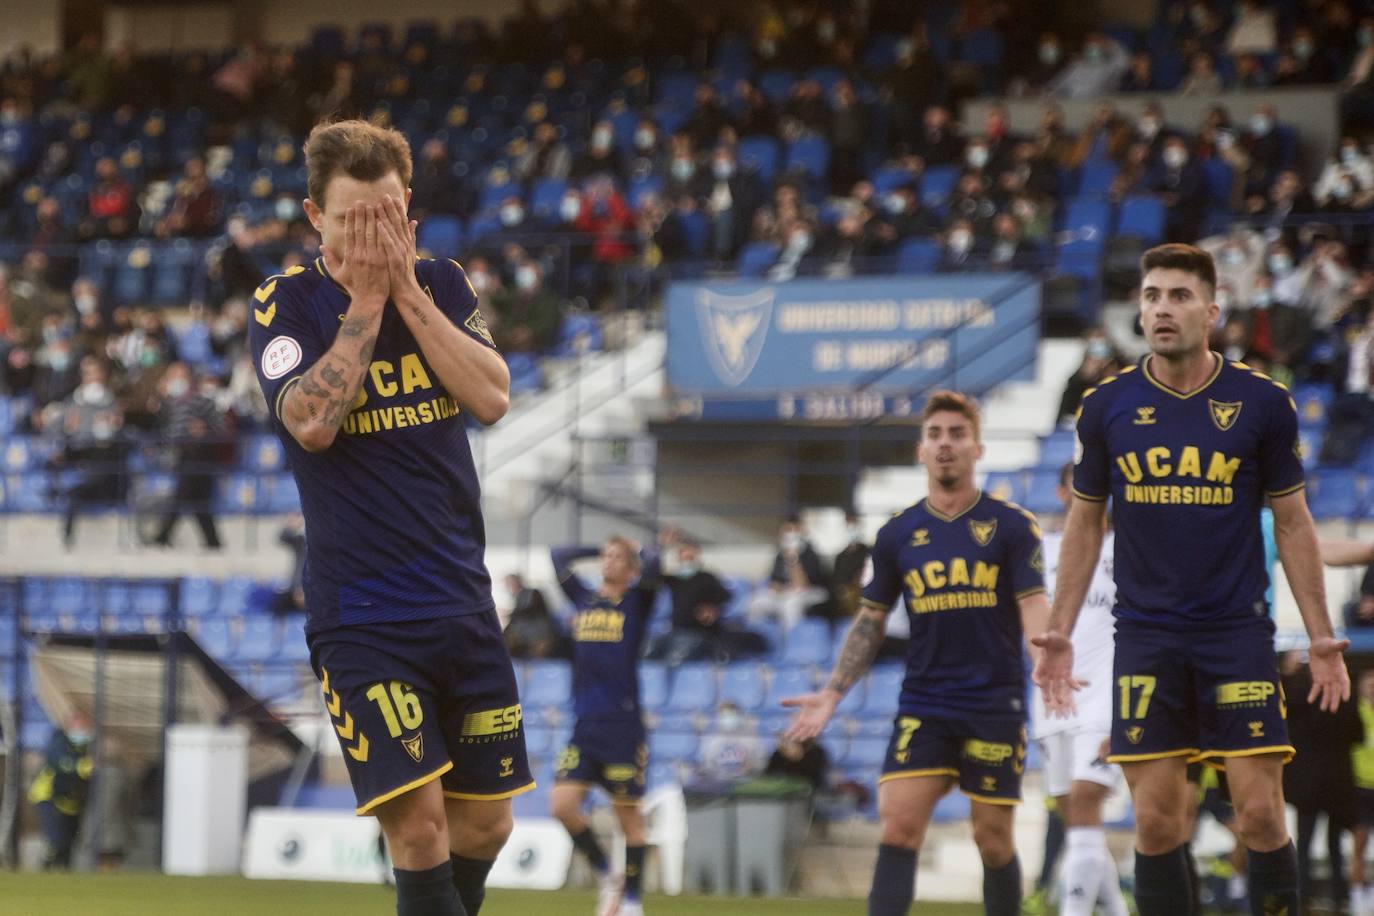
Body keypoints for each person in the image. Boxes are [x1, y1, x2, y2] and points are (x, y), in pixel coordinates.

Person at [247, 118, 528, 916]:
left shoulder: (442, 282)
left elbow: (492, 396)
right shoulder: (284, 304)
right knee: (421, 832)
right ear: (314, 219)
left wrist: (403, 288)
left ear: (409, 212)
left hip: (463, 601)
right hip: (363, 614)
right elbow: (310, 421)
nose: (373, 234)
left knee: (488, 826)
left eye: (387, 217)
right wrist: (367, 300)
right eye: (351, 221)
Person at [1035, 243, 1350, 916]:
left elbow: (1293, 525)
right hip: (1145, 637)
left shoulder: (1263, 403)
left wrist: (1321, 635)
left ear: (1212, 310)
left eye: (1178, 296)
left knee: (1261, 814)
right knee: (1154, 824)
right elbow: (1085, 528)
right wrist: (1058, 631)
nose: (1161, 309)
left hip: (1235, 634)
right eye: (1151, 296)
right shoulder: (1105, 407)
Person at [784, 390, 1050, 916]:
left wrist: (1046, 659)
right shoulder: (897, 534)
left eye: (957, 434)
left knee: (992, 839)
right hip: (925, 703)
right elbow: (870, 620)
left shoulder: (1014, 526)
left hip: (994, 705)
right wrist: (833, 693)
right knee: (899, 824)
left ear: (978, 449)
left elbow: (1032, 604)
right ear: (920, 451)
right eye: (935, 435)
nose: (945, 444)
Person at [1026, 463, 1129, 916]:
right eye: (1077, 485)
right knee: (1075, 819)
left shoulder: (1127, 550)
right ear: (1061, 490)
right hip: (1052, 700)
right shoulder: (1038, 552)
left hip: (1106, 696)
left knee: (1087, 800)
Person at [551, 536, 661, 916]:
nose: (609, 562)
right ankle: (607, 874)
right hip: (584, 725)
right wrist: (598, 546)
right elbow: (558, 553)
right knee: (562, 805)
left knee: (627, 816)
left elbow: (656, 562)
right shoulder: (583, 599)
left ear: (631, 569)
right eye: (606, 557)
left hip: (622, 725)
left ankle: (632, 901)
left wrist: (637, 549)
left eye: (618, 558)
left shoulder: (635, 602)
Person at [1280, 649, 1362, 910]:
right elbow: (1357, 734)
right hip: (1337, 781)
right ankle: (1339, 896)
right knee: (1334, 844)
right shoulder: (1342, 695)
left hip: (1307, 783)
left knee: (1304, 843)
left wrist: (1289, 675)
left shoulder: (1296, 695)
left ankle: (1304, 895)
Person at [28, 712, 94, 869]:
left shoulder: (86, 747)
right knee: (55, 839)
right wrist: (84, 767)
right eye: (80, 727)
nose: (83, 731)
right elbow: (62, 763)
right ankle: (46, 865)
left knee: (69, 841)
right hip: (49, 797)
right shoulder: (58, 742)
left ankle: (64, 871)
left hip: (71, 802)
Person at [1352, 670, 1374, 916]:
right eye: (1369, 685)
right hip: (1359, 788)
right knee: (1359, 843)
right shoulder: (1355, 713)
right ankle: (1357, 899)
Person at [502, 573, 560, 660]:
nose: (508, 587)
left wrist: (513, 613)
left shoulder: (533, 592)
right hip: (525, 638)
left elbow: (535, 609)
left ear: (517, 582)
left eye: (509, 583)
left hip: (539, 636)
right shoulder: (517, 598)